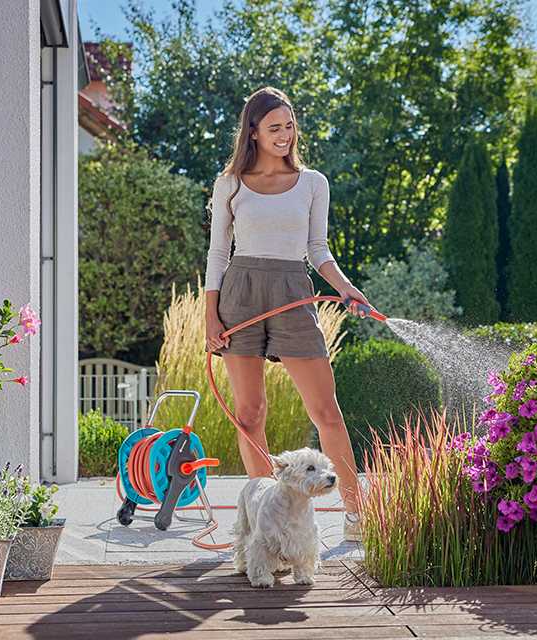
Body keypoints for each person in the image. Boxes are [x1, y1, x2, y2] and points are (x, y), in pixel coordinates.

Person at [203, 86, 374, 541]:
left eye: (289, 126)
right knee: (249, 414)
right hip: (240, 293)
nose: (284, 135)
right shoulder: (230, 183)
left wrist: (347, 289)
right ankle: (265, 523)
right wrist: (210, 317)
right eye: (274, 127)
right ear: (253, 132)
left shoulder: (313, 183)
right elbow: (218, 253)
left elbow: (318, 249)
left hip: (292, 289)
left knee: (326, 411)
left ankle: (356, 514)